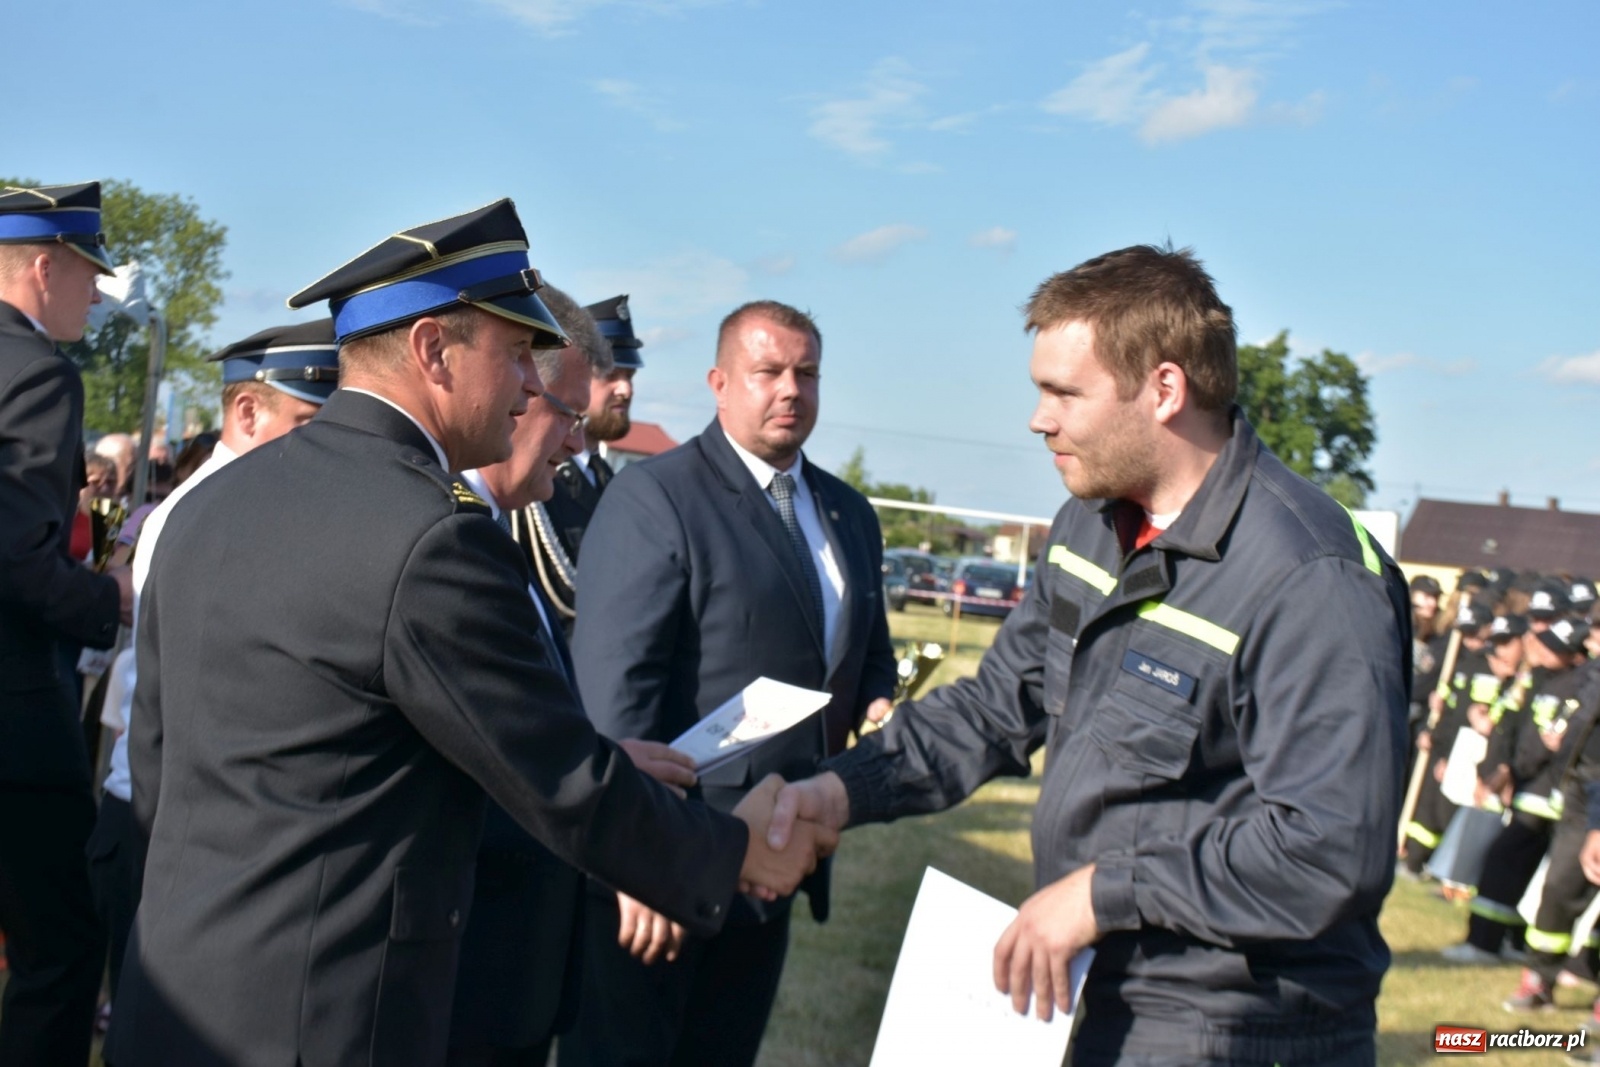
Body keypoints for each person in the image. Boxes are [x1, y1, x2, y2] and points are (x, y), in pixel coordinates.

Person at [107, 200, 829, 1067]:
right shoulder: (431, 533)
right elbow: (565, 782)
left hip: (176, 993)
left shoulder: (205, 505)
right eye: (518, 352)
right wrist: (738, 848)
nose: (533, 383)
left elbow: (164, 768)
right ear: (432, 351)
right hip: (321, 1019)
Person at [769, 245, 1412, 1066]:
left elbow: (1327, 848)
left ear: (1166, 390)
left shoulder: (1312, 578)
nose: (1040, 419)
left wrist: (1105, 892)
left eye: (1063, 392)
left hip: (1240, 1026)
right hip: (1099, 994)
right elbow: (1000, 704)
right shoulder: (1093, 523)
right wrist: (837, 792)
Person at [560, 300, 898, 1067]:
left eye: (806, 373)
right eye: (768, 372)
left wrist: (877, 697)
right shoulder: (658, 498)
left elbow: (864, 650)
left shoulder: (848, 513)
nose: (791, 390)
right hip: (666, 874)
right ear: (719, 383)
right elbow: (617, 699)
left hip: (773, 864)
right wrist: (642, 860)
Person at [447, 285, 688, 1066]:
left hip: (515, 963)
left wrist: (607, 761)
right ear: (518, 391)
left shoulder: (483, 529)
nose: (581, 444)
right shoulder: (447, 541)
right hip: (460, 965)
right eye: (568, 415)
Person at [88, 320, 338, 1037]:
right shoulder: (197, 514)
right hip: (163, 820)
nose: (321, 445)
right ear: (247, 412)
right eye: (307, 422)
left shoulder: (253, 504)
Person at [0, 180, 133, 1066]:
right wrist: (109, 601)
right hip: (14, 715)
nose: (91, 292)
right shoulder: (39, 371)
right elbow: (15, 559)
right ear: (44, 267)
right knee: (63, 947)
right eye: (86, 274)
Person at [1445, 617, 1591, 964]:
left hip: (1545, 794)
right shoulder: (1544, 679)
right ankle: (1503, 940)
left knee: (1504, 863)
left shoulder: (1574, 687)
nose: (1543, 650)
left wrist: (1514, 770)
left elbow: (1550, 743)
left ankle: (1485, 943)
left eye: (1555, 648)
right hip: (1526, 786)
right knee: (1511, 866)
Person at [530, 294, 644, 626]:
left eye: (630, 377)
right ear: (577, 372)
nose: (626, 389)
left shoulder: (610, 479)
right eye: (612, 375)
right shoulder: (535, 479)